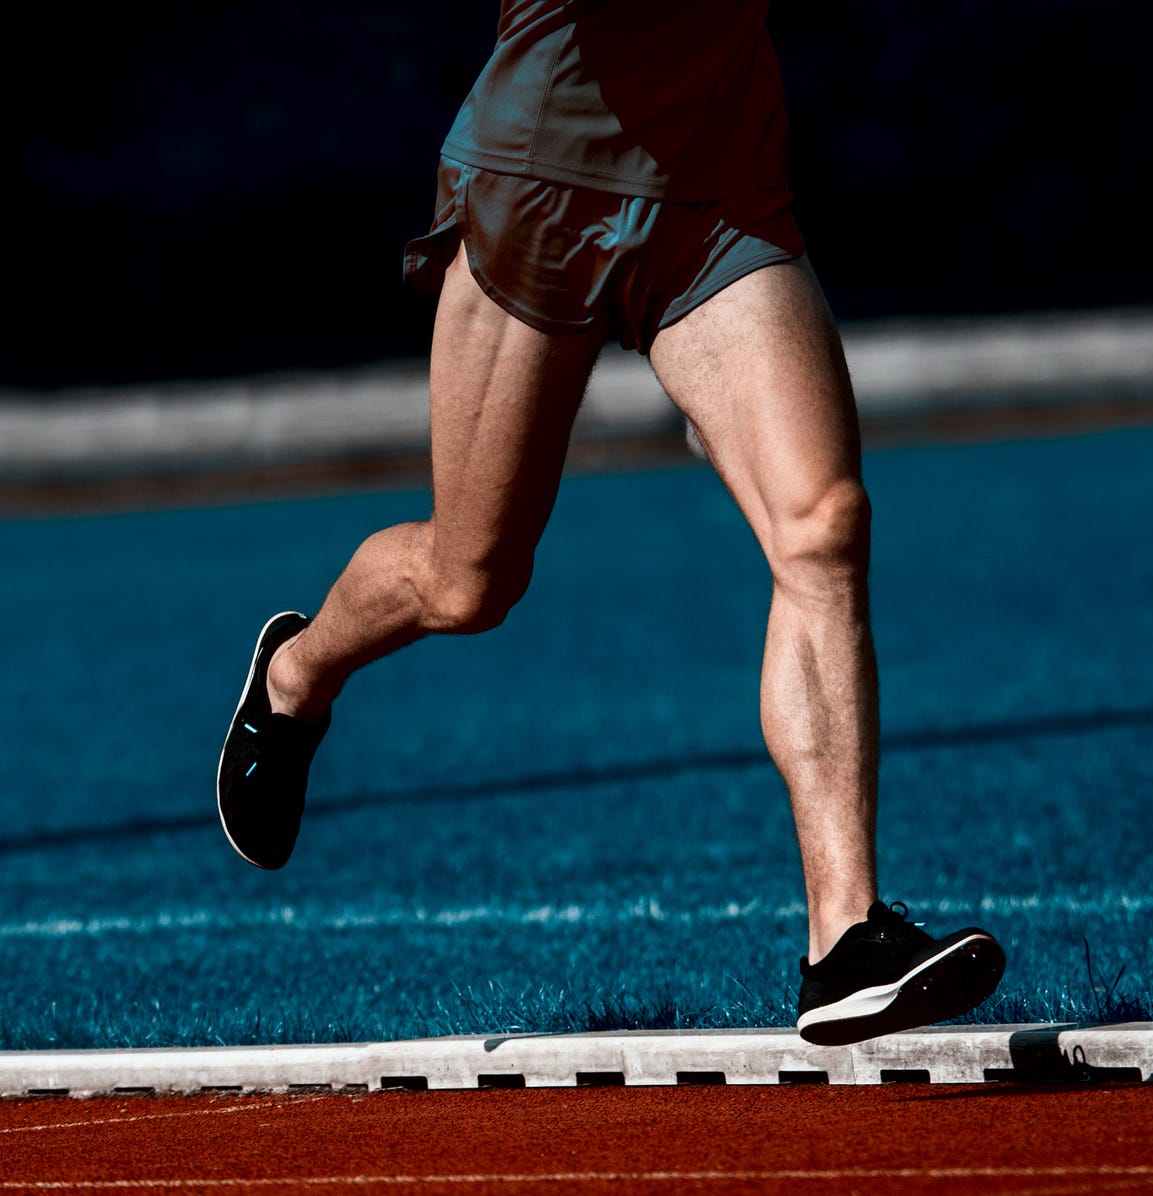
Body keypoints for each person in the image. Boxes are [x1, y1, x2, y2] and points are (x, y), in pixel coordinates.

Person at [217, 0, 1004, 1046]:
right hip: (546, 178)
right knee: (472, 580)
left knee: (823, 525)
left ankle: (844, 939)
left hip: (717, 193)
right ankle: (296, 676)